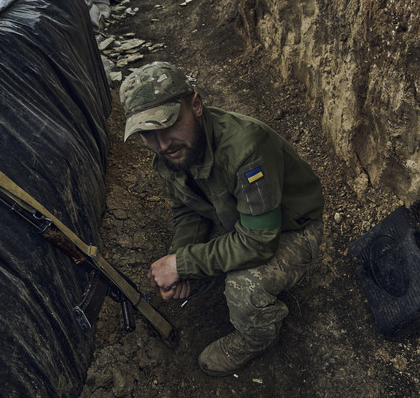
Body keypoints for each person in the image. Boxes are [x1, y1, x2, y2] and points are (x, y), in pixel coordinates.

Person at [119, 61, 324, 376]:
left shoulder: (246, 149)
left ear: (197, 105)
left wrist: (182, 263)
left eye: (169, 124)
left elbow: (258, 242)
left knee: (243, 287)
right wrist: (182, 256)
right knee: (187, 268)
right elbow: (187, 207)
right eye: (147, 133)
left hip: (290, 229)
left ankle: (257, 338)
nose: (161, 144)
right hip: (236, 219)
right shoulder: (174, 151)